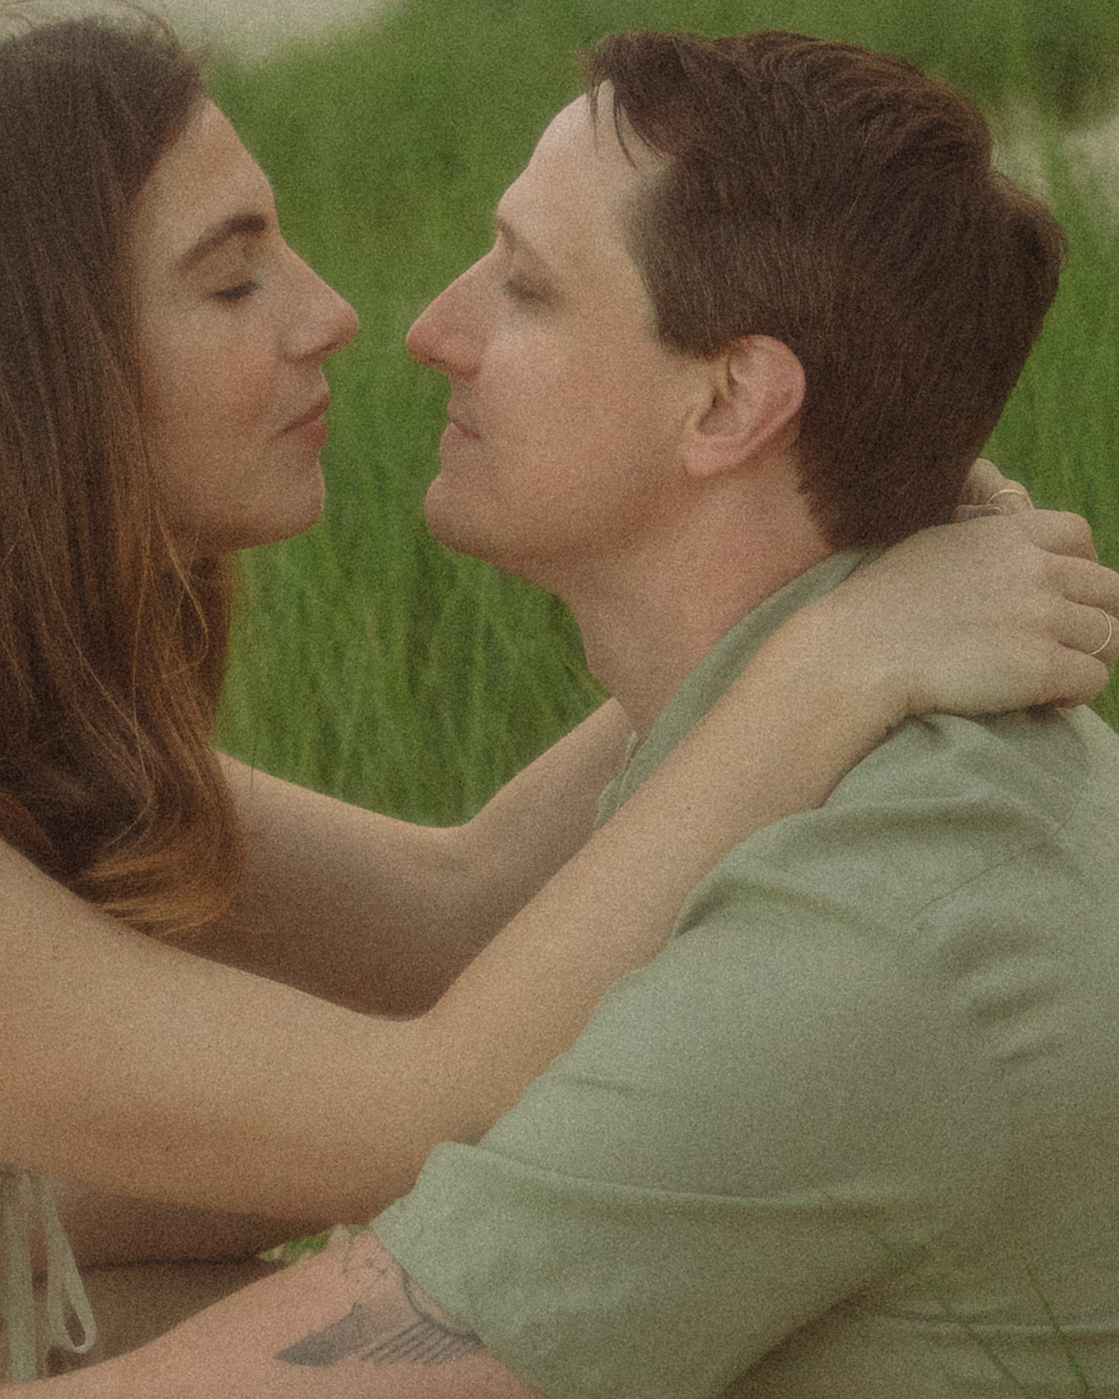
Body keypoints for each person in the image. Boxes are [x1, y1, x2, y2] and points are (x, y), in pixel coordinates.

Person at [10, 22, 1119, 1399]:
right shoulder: (858, 745)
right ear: (43, 376)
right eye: (235, 282)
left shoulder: (869, 926)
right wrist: (827, 658)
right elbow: (410, 1102)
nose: (401, 326)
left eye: (525, 287)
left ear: (732, 401)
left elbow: (453, 906)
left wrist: (866, 533)